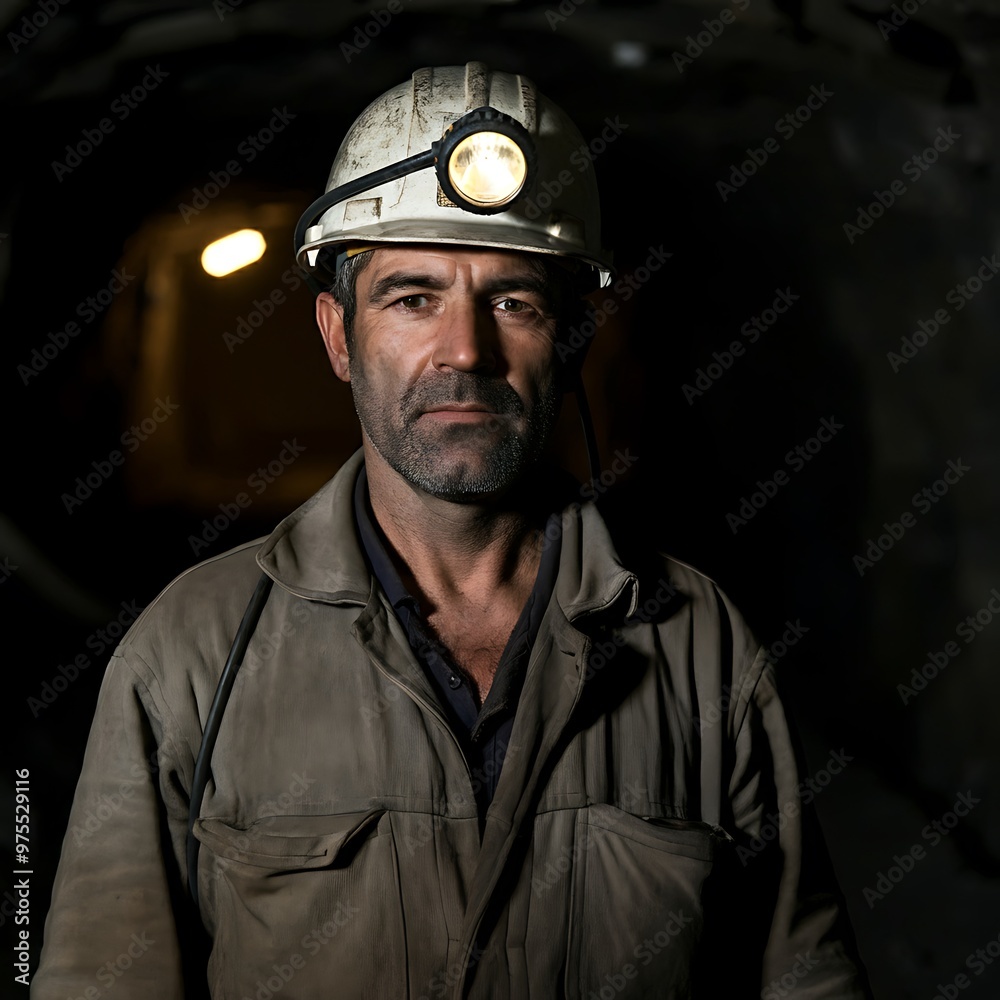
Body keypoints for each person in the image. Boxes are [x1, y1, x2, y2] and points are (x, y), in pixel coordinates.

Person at [33, 62, 872, 999]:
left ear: (574, 338)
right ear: (339, 336)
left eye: (512, 302)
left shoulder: (698, 644)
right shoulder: (189, 655)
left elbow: (805, 978)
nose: (466, 349)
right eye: (413, 298)